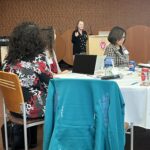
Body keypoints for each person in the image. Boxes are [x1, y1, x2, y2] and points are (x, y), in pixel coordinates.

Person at [2, 22, 53, 119]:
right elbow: (51, 85)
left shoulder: (7, 63)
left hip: (13, 108)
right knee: (66, 102)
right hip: (33, 109)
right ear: (36, 40)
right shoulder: (38, 60)